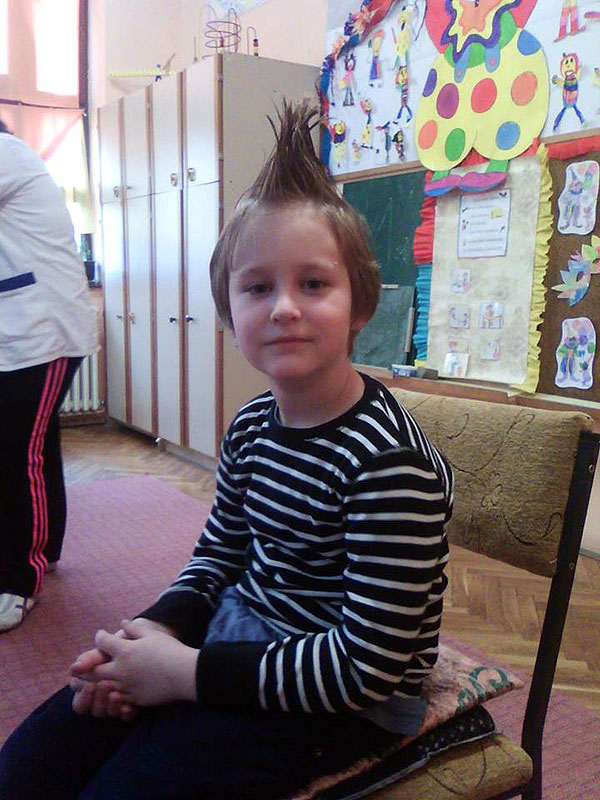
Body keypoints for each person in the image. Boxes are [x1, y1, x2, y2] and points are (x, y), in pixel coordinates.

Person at [0, 101, 453, 799]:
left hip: (347, 703)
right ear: (229, 316)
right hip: (242, 641)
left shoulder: (390, 464)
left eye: (313, 284)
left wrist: (183, 674)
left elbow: (367, 668)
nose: (284, 307)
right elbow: (218, 557)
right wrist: (147, 636)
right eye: (257, 288)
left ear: (361, 305)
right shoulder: (250, 428)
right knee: (35, 758)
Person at [0, 118, 98, 632]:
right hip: (26, 330)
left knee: (18, 453)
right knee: (34, 446)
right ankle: (47, 549)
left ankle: (20, 580)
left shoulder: (6, 155)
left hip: (43, 331)